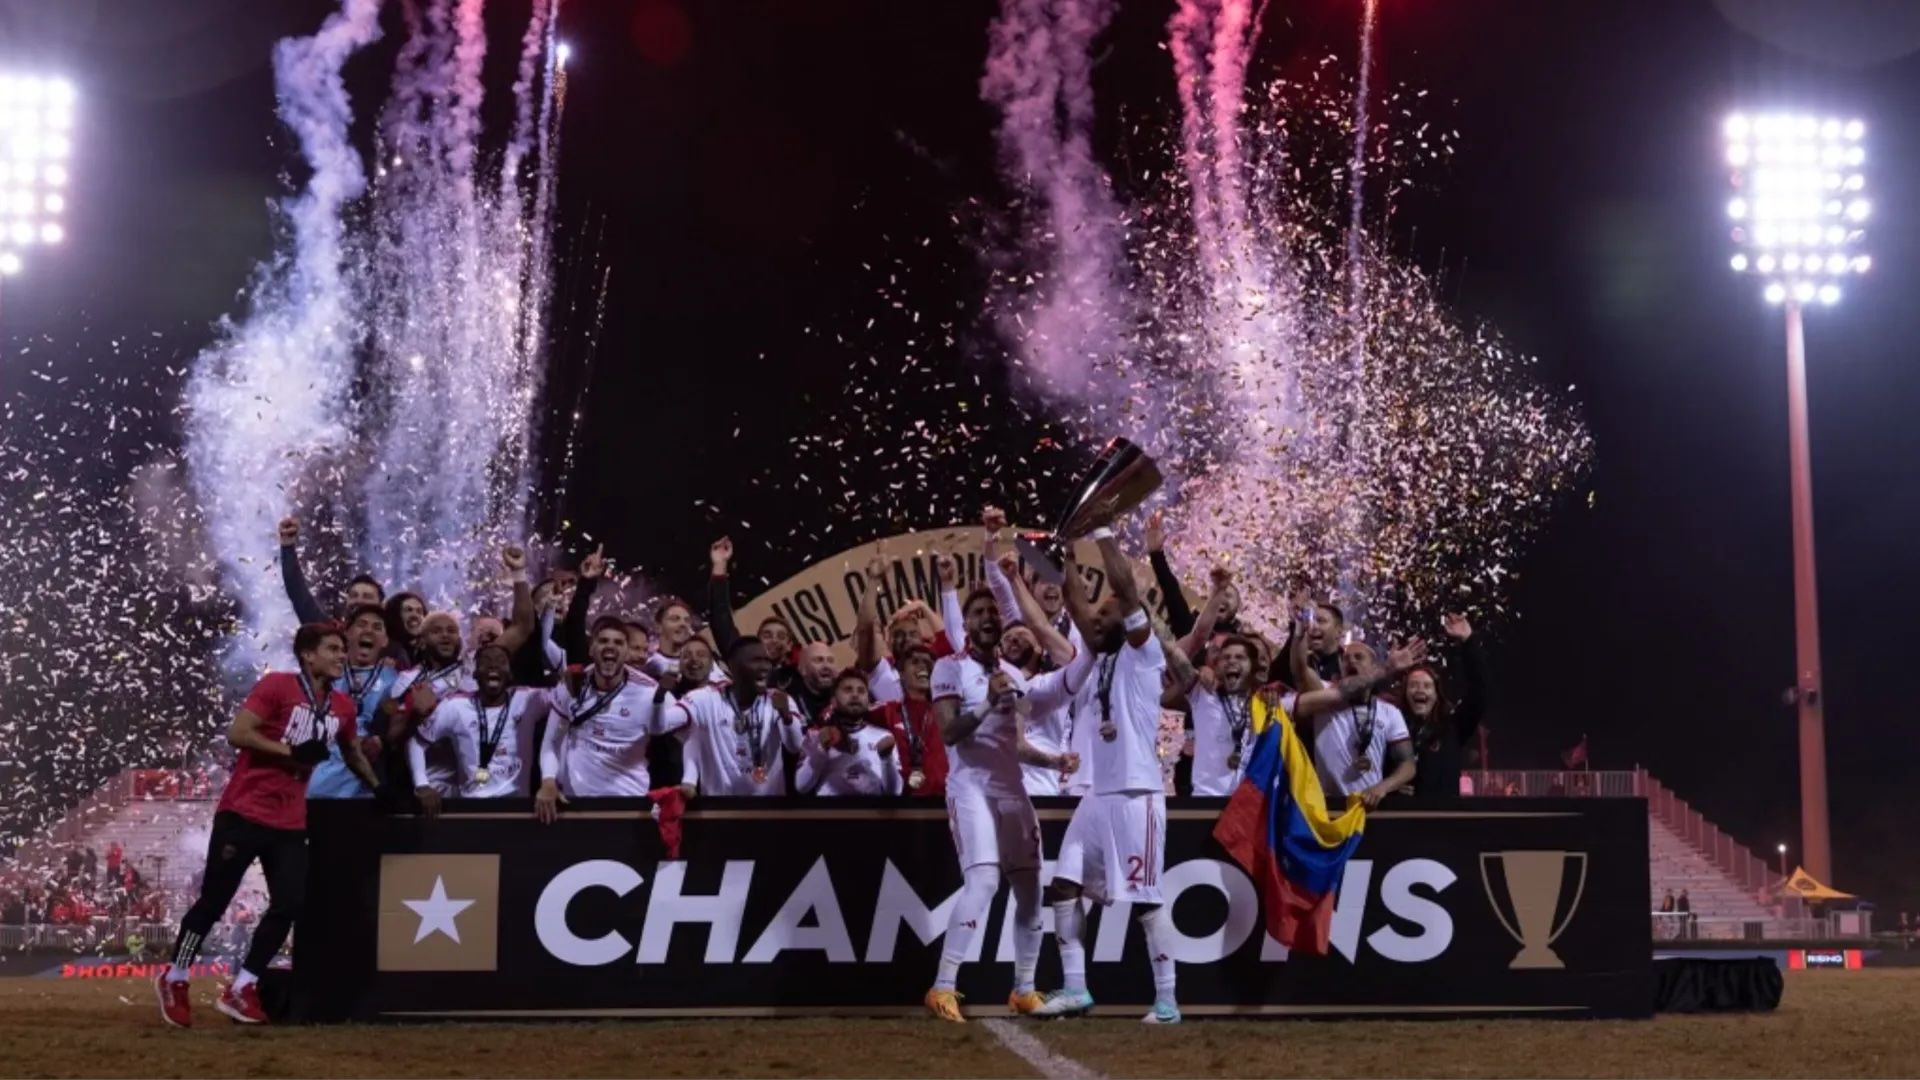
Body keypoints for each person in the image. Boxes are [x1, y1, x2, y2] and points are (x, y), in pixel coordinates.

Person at [155, 622, 379, 1028]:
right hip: (243, 812)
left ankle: (243, 986)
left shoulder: (343, 707)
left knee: (290, 904)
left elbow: (353, 753)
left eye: (341, 649)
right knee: (213, 903)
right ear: (308, 655)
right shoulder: (277, 685)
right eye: (332, 649)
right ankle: (175, 976)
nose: (341, 655)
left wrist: (381, 788)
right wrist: (290, 750)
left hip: (290, 821)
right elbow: (238, 732)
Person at [1033, 524, 1180, 1023]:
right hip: (1098, 796)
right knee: (1063, 884)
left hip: (1138, 792)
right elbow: (1076, 605)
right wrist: (1066, 553)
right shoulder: (1096, 660)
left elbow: (1127, 589)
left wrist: (1102, 534)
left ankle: (1167, 1001)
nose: (1096, 617)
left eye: (1107, 610)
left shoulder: (1143, 656)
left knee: (1145, 900)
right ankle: (1076, 988)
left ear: (1128, 616)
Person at [924, 584, 1077, 1023]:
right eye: (978, 612)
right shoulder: (947, 668)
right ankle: (943, 986)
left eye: (993, 610)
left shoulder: (1015, 675)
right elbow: (950, 732)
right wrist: (989, 701)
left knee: (1030, 889)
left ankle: (1024, 990)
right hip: (970, 787)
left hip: (1013, 788)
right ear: (967, 623)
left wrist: (1055, 759)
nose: (988, 617)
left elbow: (1018, 743)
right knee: (985, 882)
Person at [535, 617, 673, 820]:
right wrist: (548, 781)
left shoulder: (650, 691)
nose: (610, 646)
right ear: (591, 649)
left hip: (631, 803)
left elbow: (686, 730)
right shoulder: (571, 685)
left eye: (618, 642)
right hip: (577, 804)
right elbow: (551, 742)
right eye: (603, 641)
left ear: (626, 652)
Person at [1289, 640, 1428, 809]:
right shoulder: (1324, 694)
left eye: (1358, 657)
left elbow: (1408, 764)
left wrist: (1382, 788)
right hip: (1327, 806)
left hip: (1367, 807)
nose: (1351, 661)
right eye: (1346, 658)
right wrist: (1299, 634)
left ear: (1373, 666)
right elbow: (1300, 669)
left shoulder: (1390, 712)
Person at [408, 645, 548, 810]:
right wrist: (422, 785)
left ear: (510, 674)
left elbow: (564, 698)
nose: (493, 665)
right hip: (471, 806)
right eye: (485, 661)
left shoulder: (528, 700)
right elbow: (416, 742)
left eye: (501, 661)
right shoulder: (455, 706)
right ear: (474, 673)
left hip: (516, 806)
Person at [674, 638, 805, 796]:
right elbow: (675, 733)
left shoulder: (779, 699)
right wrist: (660, 697)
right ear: (733, 666)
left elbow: (795, 746)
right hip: (719, 807)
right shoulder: (705, 699)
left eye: (767, 661)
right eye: (756, 660)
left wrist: (786, 716)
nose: (764, 667)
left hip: (769, 806)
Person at [306, 603, 397, 799]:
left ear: (385, 640)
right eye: (362, 624)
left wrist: (381, 740)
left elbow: (399, 727)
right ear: (346, 633)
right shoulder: (324, 673)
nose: (369, 630)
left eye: (377, 627)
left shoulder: (396, 680)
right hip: (318, 775)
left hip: (365, 779)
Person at [1403, 613, 1488, 804]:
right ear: (1405, 693)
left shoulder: (1453, 728)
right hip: (1400, 816)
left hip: (1442, 818)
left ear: (1436, 694)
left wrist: (1468, 642)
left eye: (1426, 686)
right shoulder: (1392, 725)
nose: (1419, 690)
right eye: (1413, 685)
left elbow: (1480, 693)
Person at [797, 671, 902, 795]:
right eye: (848, 690)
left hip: (872, 813)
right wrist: (820, 750)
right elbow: (801, 787)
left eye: (861, 691)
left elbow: (895, 793)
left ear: (868, 702)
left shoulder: (884, 737)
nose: (855, 695)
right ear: (834, 702)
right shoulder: (815, 736)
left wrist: (886, 759)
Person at [1181, 635, 1261, 797]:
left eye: (1240, 657)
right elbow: (1173, 654)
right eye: (1226, 657)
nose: (1232, 661)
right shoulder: (1202, 694)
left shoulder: (1266, 703)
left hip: (1248, 805)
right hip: (1206, 800)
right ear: (1216, 666)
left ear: (1253, 667)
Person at [276, 517, 384, 624]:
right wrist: (288, 547)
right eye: (353, 595)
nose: (358, 601)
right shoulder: (329, 633)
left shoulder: (394, 639)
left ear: (381, 605)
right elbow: (298, 594)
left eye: (367, 597)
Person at [874, 643, 948, 796]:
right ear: (901, 672)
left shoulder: (949, 711)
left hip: (947, 805)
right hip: (904, 807)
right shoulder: (887, 711)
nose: (923, 667)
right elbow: (847, 710)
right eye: (915, 662)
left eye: (928, 663)